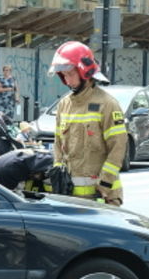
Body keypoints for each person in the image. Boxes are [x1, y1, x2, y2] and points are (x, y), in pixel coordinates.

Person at [48, 41, 127, 205]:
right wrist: (58, 170)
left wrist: (105, 184)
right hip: (70, 198)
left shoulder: (107, 104)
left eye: (70, 74)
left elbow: (118, 148)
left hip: (101, 197)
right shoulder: (64, 104)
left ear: (84, 72)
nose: (67, 80)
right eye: (64, 76)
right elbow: (58, 143)